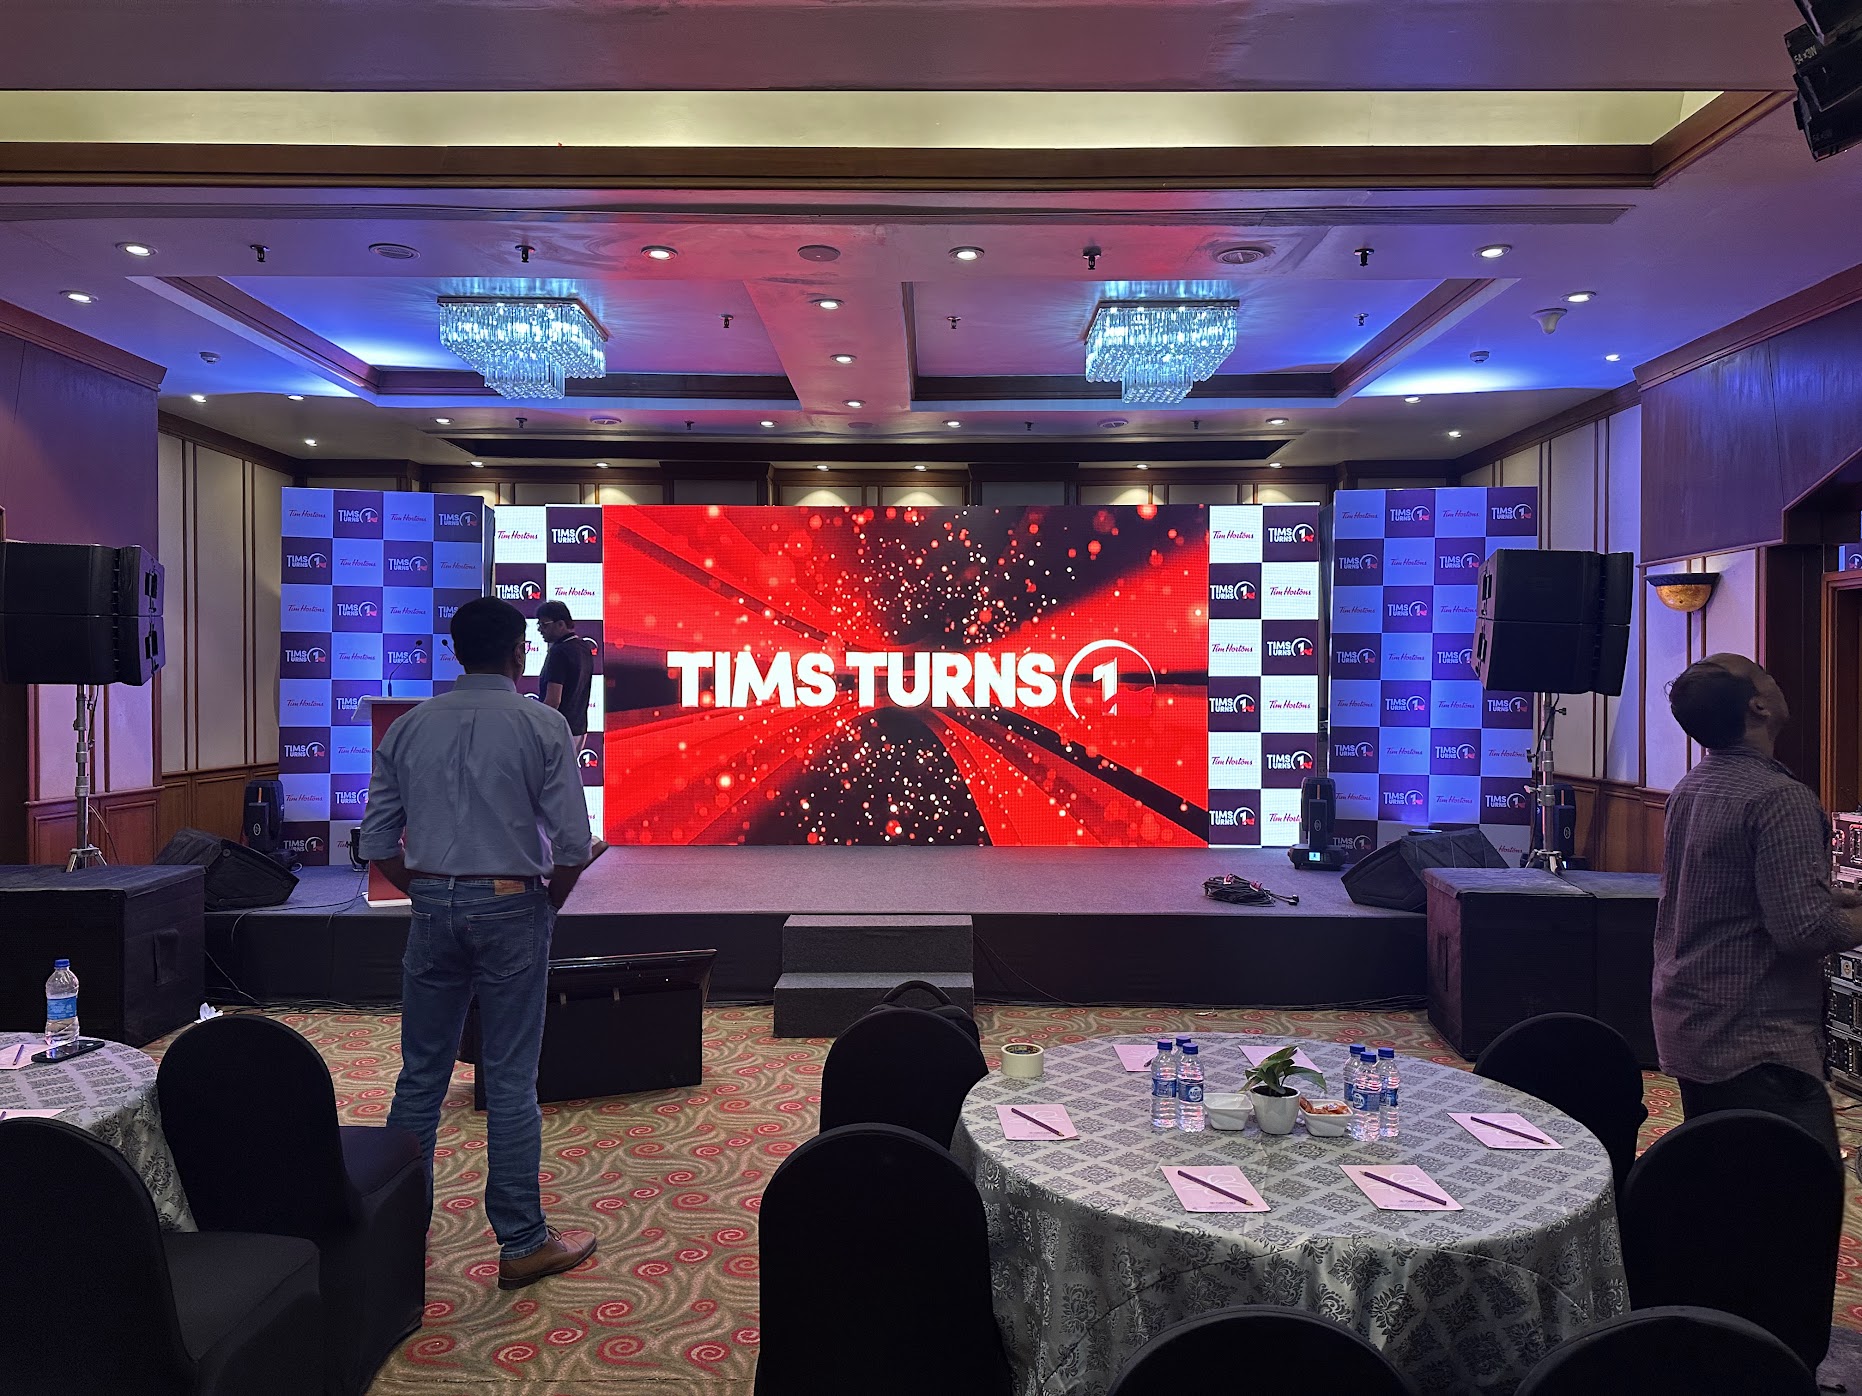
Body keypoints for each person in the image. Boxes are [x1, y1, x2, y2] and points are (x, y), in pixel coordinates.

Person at [358, 596, 597, 1288]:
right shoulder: (544, 725)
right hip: (514, 905)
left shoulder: (410, 726)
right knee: (512, 1079)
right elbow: (574, 845)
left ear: (455, 652)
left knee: (420, 1078)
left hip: (432, 906)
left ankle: (395, 1242)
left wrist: (430, 890)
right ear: (520, 652)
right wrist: (546, 900)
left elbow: (376, 841)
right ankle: (522, 1241)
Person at [1655, 652, 1862, 1161]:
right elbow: (1806, 932)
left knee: (1729, 1185)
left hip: (1693, 1023)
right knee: (1799, 1194)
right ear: (1758, 707)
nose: (1775, 679)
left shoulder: (1692, 786)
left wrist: (1836, 898)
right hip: (1755, 1040)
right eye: (1764, 674)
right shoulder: (1778, 798)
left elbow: (1731, 894)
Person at [535, 601, 594, 742]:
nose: (540, 630)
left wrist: (535, 725)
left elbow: (553, 701)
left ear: (561, 624)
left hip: (559, 731)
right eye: (539, 625)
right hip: (579, 729)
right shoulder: (584, 647)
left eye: (544, 625)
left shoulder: (559, 651)